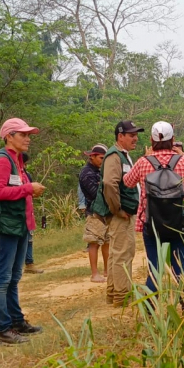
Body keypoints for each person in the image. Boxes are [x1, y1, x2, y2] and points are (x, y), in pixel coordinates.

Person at [0, 118, 46, 345]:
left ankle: (17, 322)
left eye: (29, 135)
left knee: (14, 277)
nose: (28, 139)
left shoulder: (16, 160)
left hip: (18, 225)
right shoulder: (1, 160)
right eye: (23, 135)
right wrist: (29, 188)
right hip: (5, 227)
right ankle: (4, 330)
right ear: (9, 136)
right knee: (2, 278)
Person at [125, 122, 184, 292]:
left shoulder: (143, 162)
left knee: (154, 269)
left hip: (152, 223)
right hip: (180, 223)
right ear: (173, 139)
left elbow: (128, 182)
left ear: (151, 140)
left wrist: (147, 157)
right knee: (181, 268)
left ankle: (151, 310)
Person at [91, 120, 143, 306]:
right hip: (121, 215)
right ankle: (122, 297)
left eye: (136, 134)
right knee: (123, 254)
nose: (135, 138)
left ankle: (114, 294)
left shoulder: (122, 155)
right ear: (120, 136)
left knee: (117, 253)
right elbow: (109, 184)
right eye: (131, 135)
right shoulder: (114, 156)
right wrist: (117, 209)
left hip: (123, 213)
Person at [79, 143, 110, 283]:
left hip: (106, 212)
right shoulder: (86, 173)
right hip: (94, 212)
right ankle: (94, 273)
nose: (103, 161)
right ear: (93, 157)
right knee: (94, 242)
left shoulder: (100, 171)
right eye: (102, 158)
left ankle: (107, 270)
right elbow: (94, 194)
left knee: (107, 242)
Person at [20, 155, 44, 275]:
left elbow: (31, 192)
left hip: (28, 210)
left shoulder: (26, 175)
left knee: (29, 239)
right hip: (17, 213)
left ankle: (29, 264)